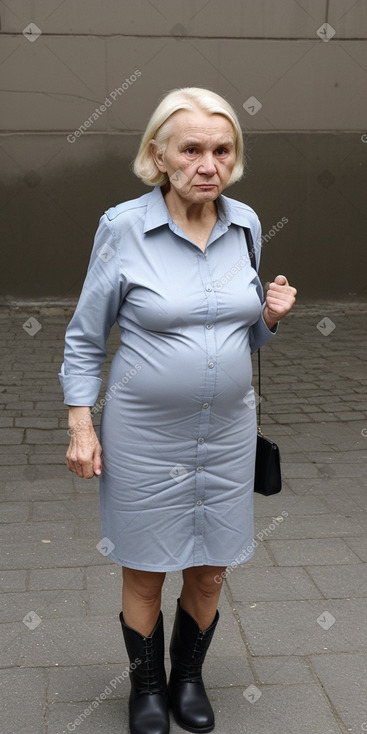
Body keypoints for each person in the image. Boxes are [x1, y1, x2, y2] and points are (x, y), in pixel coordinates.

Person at [59, 87, 297, 734]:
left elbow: (240, 333)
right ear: (158, 155)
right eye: (190, 149)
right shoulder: (122, 228)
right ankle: (145, 688)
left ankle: (188, 679)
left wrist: (268, 318)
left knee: (211, 570)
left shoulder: (244, 225)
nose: (207, 164)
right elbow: (85, 336)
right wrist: (81, 425)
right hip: (142, 435)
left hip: (224, 435)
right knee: (145, 570)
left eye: (221, 150)